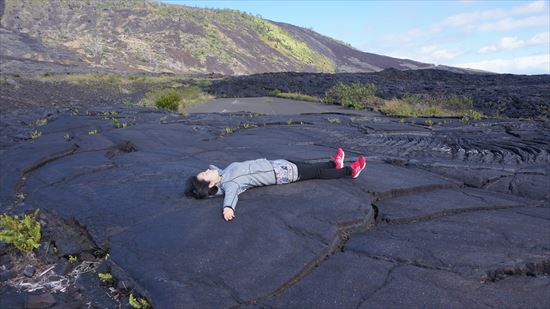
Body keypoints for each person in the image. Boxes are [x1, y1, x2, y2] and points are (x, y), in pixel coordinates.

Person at [185, 148, 366, 221]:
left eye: (205, 171)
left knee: (312, 166)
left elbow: (214, 169)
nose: (208, 170)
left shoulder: (223, 173)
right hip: (283, 173)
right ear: (210, 185)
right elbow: (231, 196)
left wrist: (205, 177)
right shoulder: (230, 183)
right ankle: (351, 171)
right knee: (316, 173)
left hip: (277, 164)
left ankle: (335, 164)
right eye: (206, 174)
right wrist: (228, 209)